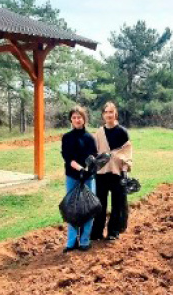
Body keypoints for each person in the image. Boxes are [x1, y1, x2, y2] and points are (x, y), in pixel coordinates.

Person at [91, 102, 132, 242]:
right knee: (99, 204)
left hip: (117, 173)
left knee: (117, 204)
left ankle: (113, 232)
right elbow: (94, 152)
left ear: (116, 114)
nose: (109, 115)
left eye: (111, 112)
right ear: (103, 115)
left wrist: (125, 171)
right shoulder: (99, 133)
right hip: (101, 173)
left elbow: (127, 153)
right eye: (106, 112)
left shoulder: (122, 132)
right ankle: (96, 232)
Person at [61, 105, 98, 252]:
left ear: (84, 119)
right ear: (71, 119)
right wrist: (80, 169)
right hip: (72, 177)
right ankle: (71, 242)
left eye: (79, 117)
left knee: (88, 209)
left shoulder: (89, 138)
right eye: (74, 117)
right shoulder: (67, 137)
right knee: (71, 209)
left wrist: (88, 169)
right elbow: (67, 157)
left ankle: (84, 241)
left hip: (88, 179)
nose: (77, 120)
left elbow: (93, 156)